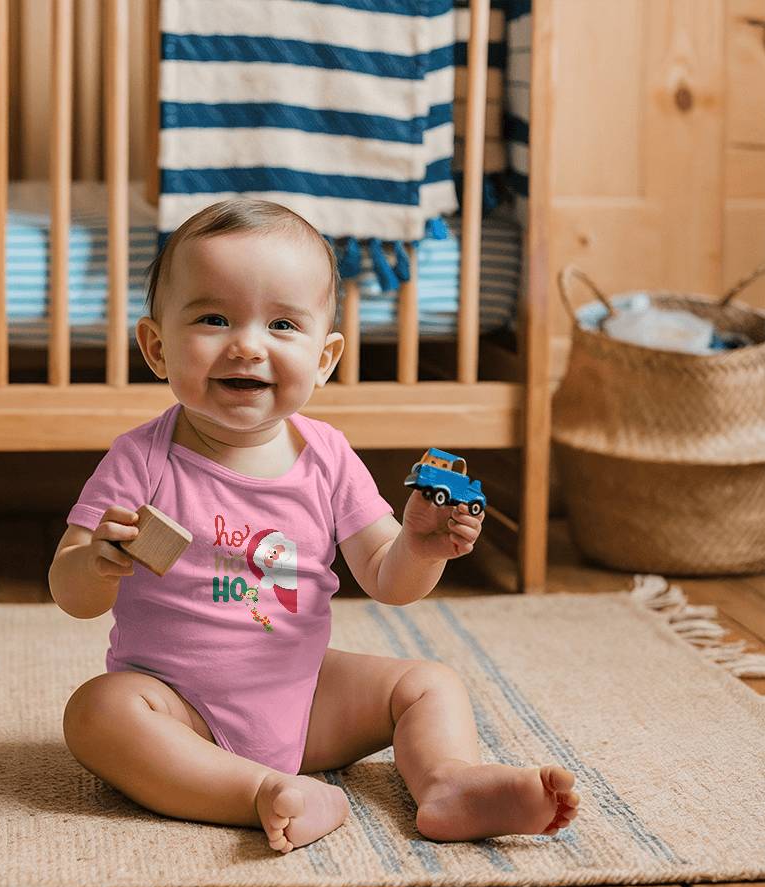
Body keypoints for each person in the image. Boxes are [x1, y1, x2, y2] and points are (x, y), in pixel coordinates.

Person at [49, 199, 579, 853]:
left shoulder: (327, 456)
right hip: (178, 703)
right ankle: (254, 792)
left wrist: (419, 546)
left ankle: (449, 782)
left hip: (303, 697)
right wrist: (97, 561)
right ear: (156, 346)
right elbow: (71, 591)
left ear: (325, 358)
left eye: (281, 324)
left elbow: (389, 580)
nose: (247, 343)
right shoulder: (140, 458)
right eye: (214, 318)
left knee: (427, 684)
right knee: (98, 713)